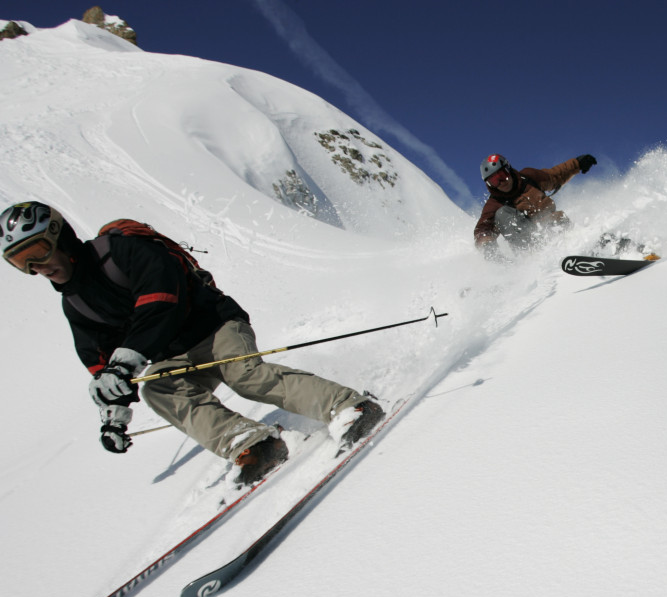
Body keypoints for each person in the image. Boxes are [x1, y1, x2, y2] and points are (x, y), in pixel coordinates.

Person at [1, 201, 384, 486]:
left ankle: (350, 407)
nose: (37, 268)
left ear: (60, 236)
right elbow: (101, 366)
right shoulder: (76, 303)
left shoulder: (119, 251)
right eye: (22, 264)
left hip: (216, 325)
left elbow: (162, 300)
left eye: (37, 253)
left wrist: (128, 360)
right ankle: (255, 443)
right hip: (174, 354)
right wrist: (113, 417)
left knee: (244, 375)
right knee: (158, 388)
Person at [473, 153, 597, 259]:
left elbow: (555, 176)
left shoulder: (528, 177)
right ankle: (532, 260)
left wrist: (577, 164)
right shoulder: (494, 204)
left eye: (502, 176)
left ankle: (593, 248)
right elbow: (482, 230)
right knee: (501, 213)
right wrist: (487, 246)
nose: (501, 183)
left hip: (555, 224)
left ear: (508, 169)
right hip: (530, 244)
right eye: (494, 181)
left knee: (565, 226)